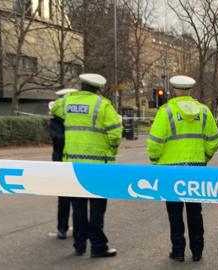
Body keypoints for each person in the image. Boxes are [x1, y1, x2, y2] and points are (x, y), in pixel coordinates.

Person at [147, 75, 218, 262]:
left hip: (170, 170)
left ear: (173, 90)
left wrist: (155, 161)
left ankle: (178, 251)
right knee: (195, 211)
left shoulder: (166, 111)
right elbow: (213, 141)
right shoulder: (204, 111)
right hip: (196, 169)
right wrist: (203, 159)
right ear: (190, 91)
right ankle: (197, 251)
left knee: (174, 212)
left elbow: (154, 142)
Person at [51, 74, 123, 258]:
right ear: (98, 88)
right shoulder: (103, 105)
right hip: (98, 165)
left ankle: (79, 245)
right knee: (97, 209)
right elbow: (115, 132)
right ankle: (98, 247)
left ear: (81, 86)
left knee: (78, 207)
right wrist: (112, 151)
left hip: (73, 164)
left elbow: (54, 112)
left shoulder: (66, 102)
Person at [49, 88, 78, 240]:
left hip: (61, 158)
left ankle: (62, 228)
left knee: (65, 196)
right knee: (74, 196)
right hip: (71, 158)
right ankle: (69, 227)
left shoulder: (57, 115)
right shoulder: (73, 114)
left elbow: (55, 137)